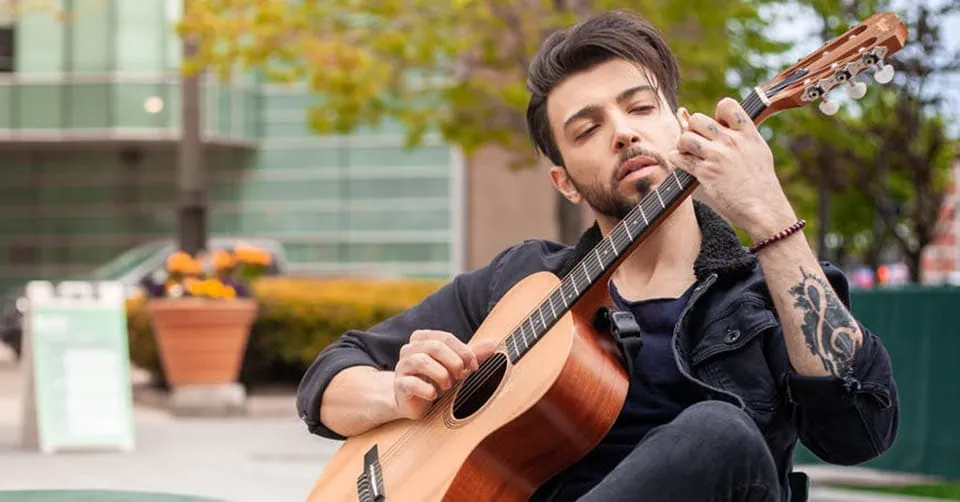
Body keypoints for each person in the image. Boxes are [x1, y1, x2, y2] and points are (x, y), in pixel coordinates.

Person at [295, 9, 899, 502]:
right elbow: (328, 377)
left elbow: (861, 432)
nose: (623, 132)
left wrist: (771, 217)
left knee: (720, 436)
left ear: (681, 122)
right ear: (563, 182)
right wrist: (395, 394)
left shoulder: (769, 289)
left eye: (639, 108)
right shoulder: (525, 281)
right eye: (587, 129)